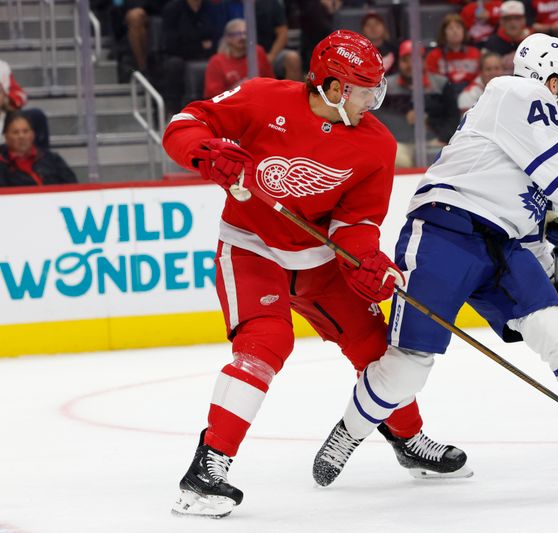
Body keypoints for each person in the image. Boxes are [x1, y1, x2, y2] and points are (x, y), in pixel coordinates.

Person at [312, 33, 558, 488]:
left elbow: (533, 233)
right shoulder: (511, 92)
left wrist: (551, 273)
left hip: (503, 245)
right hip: (444, 232)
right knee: (409, 365)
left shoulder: (528, 142)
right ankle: (348, 434)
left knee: (556, 329)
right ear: (550, 78)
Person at [162, 30, 469, 519]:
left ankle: (408, 439)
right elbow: (187, 121)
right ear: (332, 88)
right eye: (365, 87)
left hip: (319, 265)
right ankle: (207, 468)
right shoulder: (263, 98)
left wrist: (366, 261)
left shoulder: (376, 145)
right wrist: (204, 150)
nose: (375, 97)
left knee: (375, 347)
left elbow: (357, 223)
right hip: (250, 251)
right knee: (264, 344)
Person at [378, 40, 461, 167]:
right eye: (405, 60)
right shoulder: (387, 87)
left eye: (415, 60)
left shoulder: (441, 84)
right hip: (399, 143)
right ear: (399, 62)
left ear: (423, 61)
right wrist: (402, 120)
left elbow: (453, 118)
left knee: (442, 159)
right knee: (397, 160)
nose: (410, 65)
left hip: (433, 140)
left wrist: (433, 125)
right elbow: (379, 118)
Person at [203, 18, 275, 99]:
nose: (243, 37)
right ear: (228, 38)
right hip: (231, 105)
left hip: (260, 100)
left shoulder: (258, 52)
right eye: (238, 34)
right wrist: (238, 88)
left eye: (245, 33)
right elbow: (212, 97)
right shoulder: (217, 61)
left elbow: (271, 81)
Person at [0, 112, 76, 187]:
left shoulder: (52, 159)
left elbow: (73, 187)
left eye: (26, 131)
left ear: (33, 134)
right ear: (6, 137)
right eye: (15, 132)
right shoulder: (2, 164)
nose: (21, 136)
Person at [425, 14, 482, 94]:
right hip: (444, 97)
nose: (455, 31)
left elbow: (481, 78)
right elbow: (431, 81)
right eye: (450, 28)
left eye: (458, 27)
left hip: (471, 95)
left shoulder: (475, 53)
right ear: (444, 33)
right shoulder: (434, 56)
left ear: (464, 31)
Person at [0, 59, 50, 150]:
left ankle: (41, 161)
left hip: (4, 113)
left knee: (36, 116)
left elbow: (21, 96)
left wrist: (8, 100)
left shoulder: (2, 67)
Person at [483, 0, 530, 73]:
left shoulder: (532, 40)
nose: (512, 22)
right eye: (508, 19)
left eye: (517, 18)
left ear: (524, 20)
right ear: (501, 22)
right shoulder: (492, 42)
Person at [361, 10, 399, 76]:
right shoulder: (359, 52)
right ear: (363, 30)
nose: (373, 28)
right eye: (368, 25)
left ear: (384, 27)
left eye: (377, 24)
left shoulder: (395, 49)